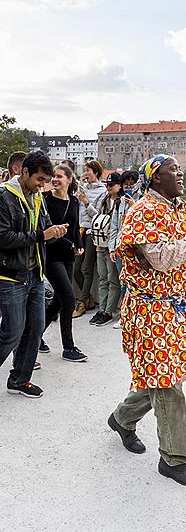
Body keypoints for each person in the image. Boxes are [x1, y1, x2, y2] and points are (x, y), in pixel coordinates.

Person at [108, 155, 186, 487]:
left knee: (163, 374)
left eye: (180, 170)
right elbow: (163, 260)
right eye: (172, 171)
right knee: (167, 381)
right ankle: (175, 459)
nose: (180, 174)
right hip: (149, 309)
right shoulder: (144, 212)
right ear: (154, 179)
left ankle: (123, 418)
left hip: (175, 309)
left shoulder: (182, 210)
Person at [0, 151, 67, 398]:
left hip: (35, 274)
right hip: (10, 276)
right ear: (24, 172)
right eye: (39, 179)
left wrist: (54, 231)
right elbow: (3, 237)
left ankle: (19, 379)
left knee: (35, 328)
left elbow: (42, 227)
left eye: (45, 180)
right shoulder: (4, 197)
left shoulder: (37, 196)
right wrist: (41, 236)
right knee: (12, 332)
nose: (42, 185)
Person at [39, 165, 87, 362]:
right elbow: (44, 227)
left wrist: (80, 244)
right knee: (68, 299)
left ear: (69, 180)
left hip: (68, 255)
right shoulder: (46, 200)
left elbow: (75, 227)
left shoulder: (74, 201)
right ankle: (68, 347)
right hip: (51, 255)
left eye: (59, 176)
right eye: (54, 177)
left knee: (59, 301)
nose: (55, 180)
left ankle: (35, 336)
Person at [73, 160, 107, 318]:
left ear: (96, 172)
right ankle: (89, 299)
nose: (85, 173)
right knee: (76, 270)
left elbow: (98, 215)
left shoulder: (103, 191)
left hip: (92, 231)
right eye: (84, 170)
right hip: (79, 230)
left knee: (87, 268)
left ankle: (82, 302)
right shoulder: (82, 188)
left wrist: (86, 202)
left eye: (88, 171)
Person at [89, 172, 122, 327]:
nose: (108, 187)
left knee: (112, 279)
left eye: (111, 185)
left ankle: (109, 311)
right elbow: (96, 217)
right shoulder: (103, 200)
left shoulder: (122, 203)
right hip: (100, 243)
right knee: (103, 278)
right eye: (107, 184)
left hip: (112, 245)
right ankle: (102, 309)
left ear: (118, 185)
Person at [109, 169, 140, 329]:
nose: (128, 186)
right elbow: (114, 226)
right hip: (121, 248)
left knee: (135, 284)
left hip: (137, 251)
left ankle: (134, 316)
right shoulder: (119, 202)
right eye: (125, 183)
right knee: (123, 283)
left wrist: (134, 207)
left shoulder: (142, 200)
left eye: (131, 183)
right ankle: (124, 315)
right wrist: (112, 248)